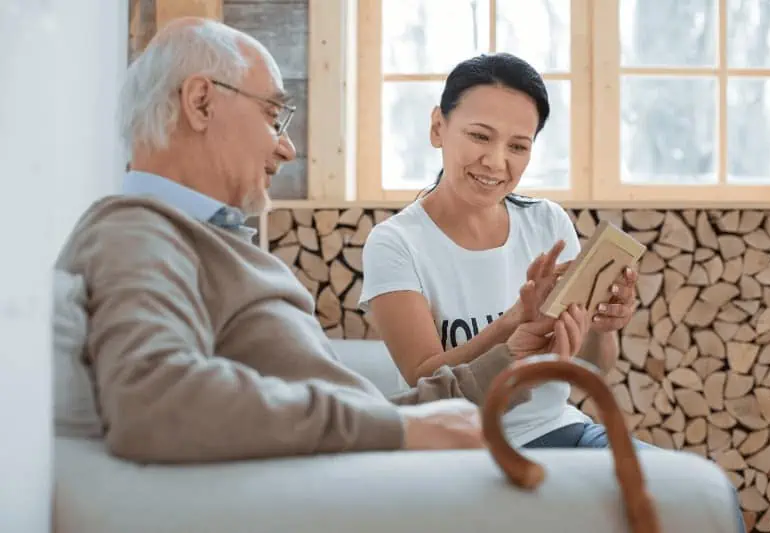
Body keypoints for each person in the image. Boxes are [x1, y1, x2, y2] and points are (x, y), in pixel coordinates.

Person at [53, 18, 584, 463]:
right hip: (376, 480)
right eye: (271, 115)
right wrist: (399, 433)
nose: (286, 148)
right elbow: (155, 404)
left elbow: (368, 413)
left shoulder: (197, 239)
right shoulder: (137, 232)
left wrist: (510, 350)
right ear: (200, 103)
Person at [359, 52, 644, 450]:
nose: (495, 162)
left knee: (697, 495)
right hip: (462, 446)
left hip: (560, 429)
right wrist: (510, 325)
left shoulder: (548, 223)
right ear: (438, 127)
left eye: (518, 146)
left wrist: (601, 324)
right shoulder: (395, 243)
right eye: (479, 136)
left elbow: (595, 364)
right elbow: (423, 382)